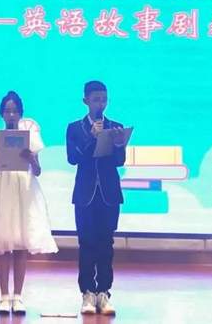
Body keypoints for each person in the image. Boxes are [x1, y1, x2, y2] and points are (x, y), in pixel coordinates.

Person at [0, 91, 58, 315]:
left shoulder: (30, 137)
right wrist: (0, 155)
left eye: (15, 111)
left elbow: (38, 171)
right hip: (0, 189)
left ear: (21, 113)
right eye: (7, 111)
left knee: (21, 245)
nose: (11, 114)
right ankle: (4, 296)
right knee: (3, 244)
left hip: (23, 189)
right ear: (2, 114)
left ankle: (18, 296)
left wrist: (31, 158)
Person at [66, 80, 127, 316]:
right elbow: (73, 158)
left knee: (106, 244)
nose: (100, 104)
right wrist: (92, 138)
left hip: (109, 194)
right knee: (86, 243)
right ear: (86, 101)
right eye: (96, 99)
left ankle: (104, 292)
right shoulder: (74, 128)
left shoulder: (115, 127)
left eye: (104, 99)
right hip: (85, 194)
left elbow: (119, 161)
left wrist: (119, 145)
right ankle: (87, 293)